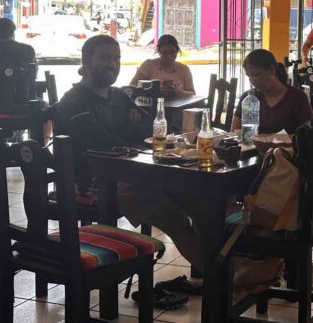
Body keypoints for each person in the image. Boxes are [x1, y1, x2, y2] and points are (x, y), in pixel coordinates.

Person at [54, 35, 206, 304]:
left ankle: (222, 274)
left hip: (132, 173)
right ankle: (220, 279)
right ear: (85, 62)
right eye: (104, 58)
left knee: (199, 200)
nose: (112, 64)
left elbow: (150, 128)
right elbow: (100, 142)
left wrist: (126, 132)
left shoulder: (117, 96)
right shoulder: (74, 101)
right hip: (98, 185)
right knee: (176, 219)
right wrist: (127, 132)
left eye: (116, 58)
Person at [235, 49, 313, 134]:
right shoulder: (248, 98)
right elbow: (234, 133)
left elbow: (307, 136)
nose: (252, 81)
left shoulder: (297, 98)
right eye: (249, 76)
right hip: (251, 147)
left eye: (256, 74)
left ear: (272, 70)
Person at [130, 34, 195, 98]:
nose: (169, 56)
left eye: (172, 52)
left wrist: (178, 92)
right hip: (150, 107)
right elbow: (131, 88)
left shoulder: (184, 69)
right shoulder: (148, 65)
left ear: (177, 51)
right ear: (159, 51)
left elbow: (192, 93)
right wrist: (154, 91)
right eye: (164, 52)